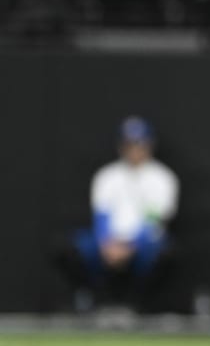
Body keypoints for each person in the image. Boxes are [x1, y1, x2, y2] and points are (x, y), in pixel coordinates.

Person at [61, 116, 180, 313]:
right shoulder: (107, 176)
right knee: (70, 247)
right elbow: (101, 216)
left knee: (165, 252)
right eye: (129, 144)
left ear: (150, 145)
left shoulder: (162, 178)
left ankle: (142, 307)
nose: (134, 150)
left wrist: (131, 247)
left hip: (143, 243)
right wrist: (107, 245)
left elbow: (154, 220)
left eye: (139, 144)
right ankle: (92, 301)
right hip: (108, 243)